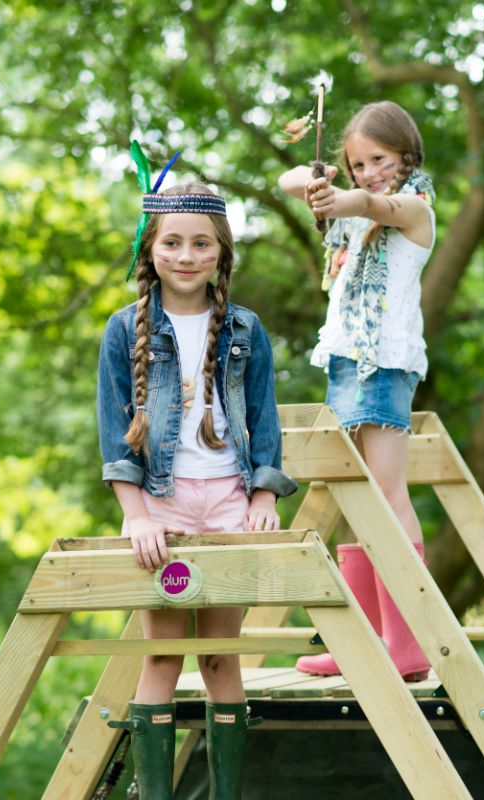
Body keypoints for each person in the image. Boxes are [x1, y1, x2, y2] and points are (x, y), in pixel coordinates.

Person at [97, 156, 298, 798]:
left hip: (230, 503)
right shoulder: (122, 330)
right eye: (173, 242)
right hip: (164, 508)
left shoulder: (246, 329)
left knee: (219, 653)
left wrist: (263, 496)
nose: (186, 255)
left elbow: (265, 419)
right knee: (161, 652)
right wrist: (136, 515)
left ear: (221, 253)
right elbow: (112, 431)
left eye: (201, 243)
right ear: (150, 250)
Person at [278, 100, 436, 682]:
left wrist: (346, 196)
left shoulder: (413, 209)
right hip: (347, 363)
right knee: (352, 499)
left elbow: (375, 203)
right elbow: (287, 178)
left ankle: (407, 643)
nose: (369, 171)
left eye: (380, 158)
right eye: (356, 162)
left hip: (384, 363)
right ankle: (364, 641)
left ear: (406, 154)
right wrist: (314, 182)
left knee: (388, 496)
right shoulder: (349, 215)